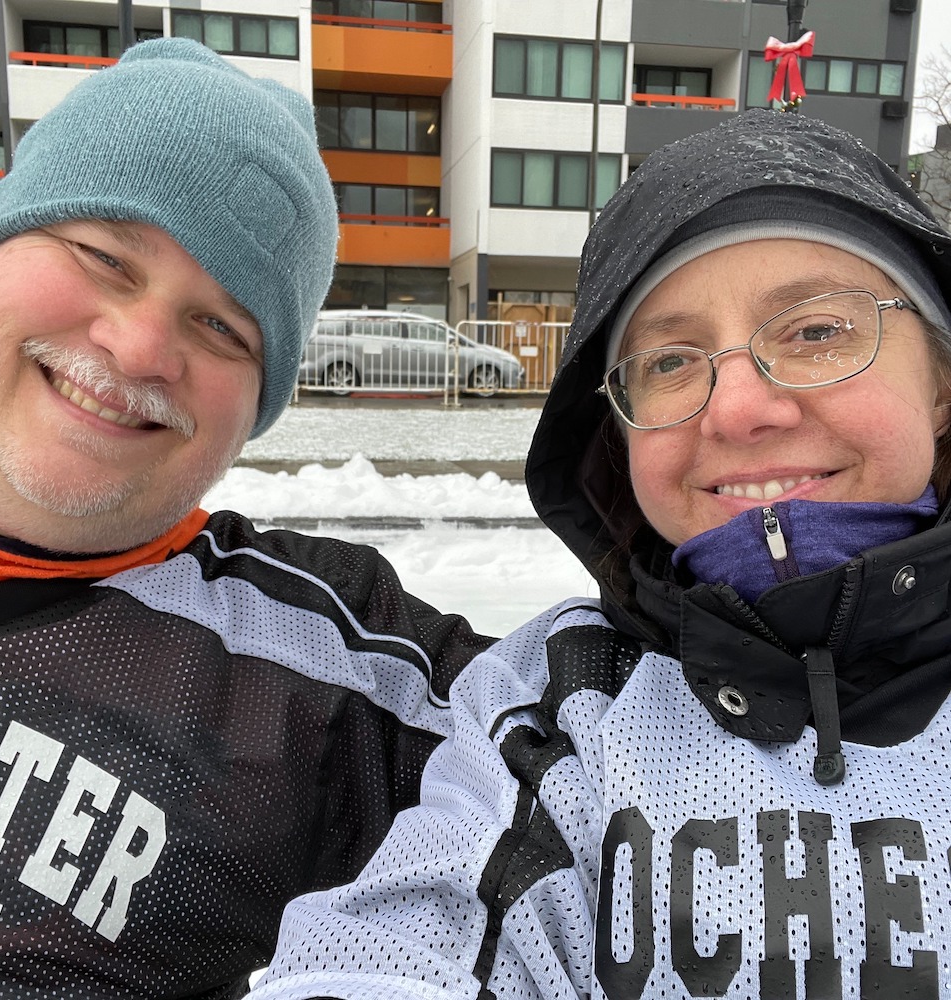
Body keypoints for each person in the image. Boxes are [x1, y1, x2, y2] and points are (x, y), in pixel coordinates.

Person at [251, 108, 951, 1000]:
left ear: (940, 385)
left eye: (815, 332)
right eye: (669, 361)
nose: (736, 409)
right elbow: (402, 950)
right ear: (615, 437)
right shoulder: (557, 702)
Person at [0, 37, 491, 998]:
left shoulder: (329, 675)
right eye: (103, 256)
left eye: (222, 328)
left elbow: (660, 749)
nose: (142, 344)